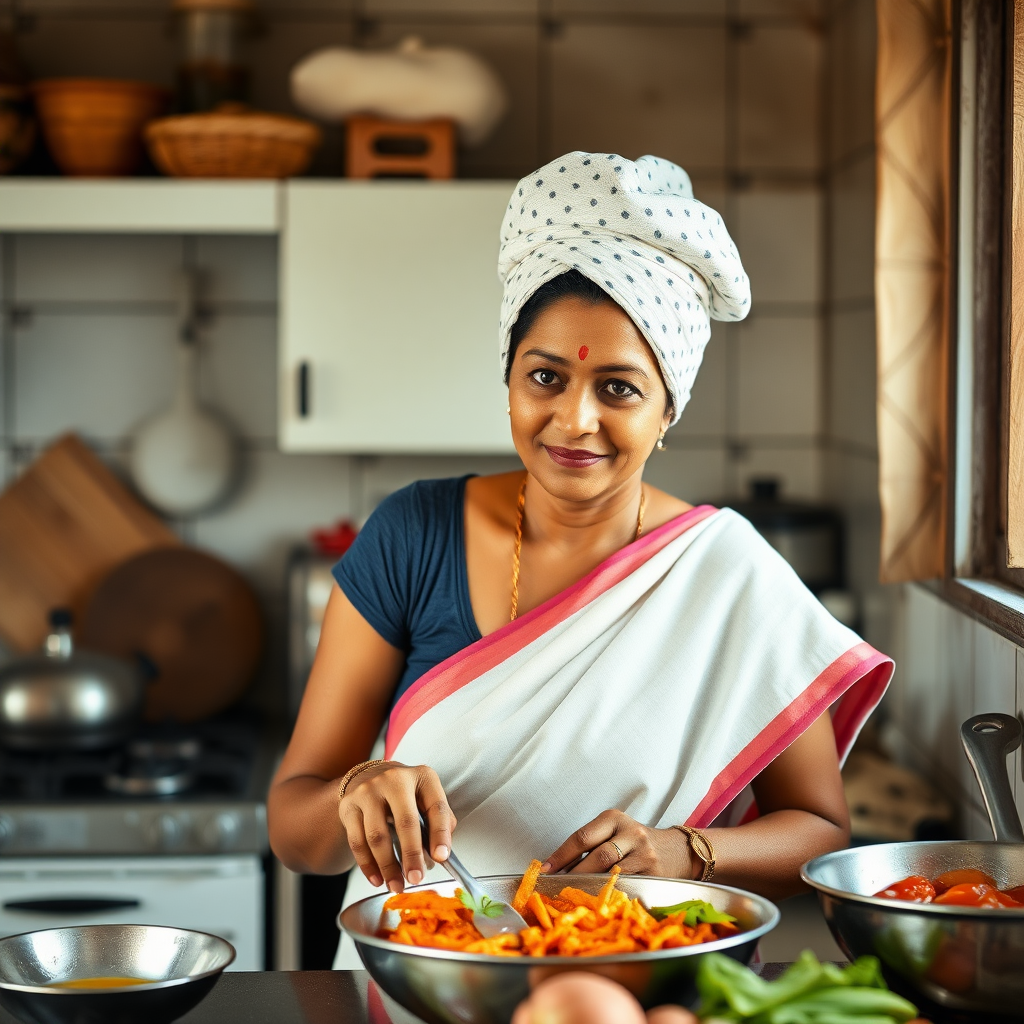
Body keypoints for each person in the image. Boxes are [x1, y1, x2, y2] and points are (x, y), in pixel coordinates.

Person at [268, 152, 893, 970]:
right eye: (545, 377)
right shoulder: (412, 534)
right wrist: (355, 794)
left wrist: (686, 855)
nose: (574, 419)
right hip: (428, 980)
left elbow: (819, 834)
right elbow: (295, 832)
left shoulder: (729, 571)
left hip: (637, 987)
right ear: (508, 381)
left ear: (669, 409)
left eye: (620, 390)